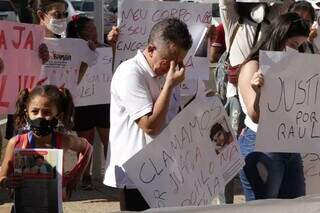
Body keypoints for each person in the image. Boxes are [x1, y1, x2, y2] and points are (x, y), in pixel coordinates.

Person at [103, 18, 193, 211]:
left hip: (165, 170)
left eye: (178, 62)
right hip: (136, 175)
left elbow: (173, 118)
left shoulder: (169, 73)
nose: (172, 67)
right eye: (167, 61)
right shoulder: (130, 73)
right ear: (151, 49)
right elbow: (150, 126)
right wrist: (169, 85)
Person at [238, 12, 309, 201]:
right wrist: (259, 91)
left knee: (295, 205)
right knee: (265, 207)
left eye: (300, 47)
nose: (296, 51)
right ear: (279, 36)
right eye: (293, 45)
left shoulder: (291, 70)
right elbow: (255, 116)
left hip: (289, 144)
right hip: (261, 144)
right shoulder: (252, 67)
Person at [0, 85, 93, 200]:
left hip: (52, 206)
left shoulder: (64, 141)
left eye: (47, 112)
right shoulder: (16, 142)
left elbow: (88, 148)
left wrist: (76, 176)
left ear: (59, 115)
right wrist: (7, 182)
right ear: (27, 113)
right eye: (35, 111)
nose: (40, 117)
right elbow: (2, 177)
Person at [66, 15, 119, 190]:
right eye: (90, 29)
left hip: (104, 101)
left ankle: (111, 173)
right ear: (79, 33)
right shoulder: (73, 50)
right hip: (83, 102)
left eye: (95, 28)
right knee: (85, 142)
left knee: (108, 140)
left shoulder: (104, 48)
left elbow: (115, 63)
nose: (94, 32)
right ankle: (85, 175)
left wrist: (112, 46)